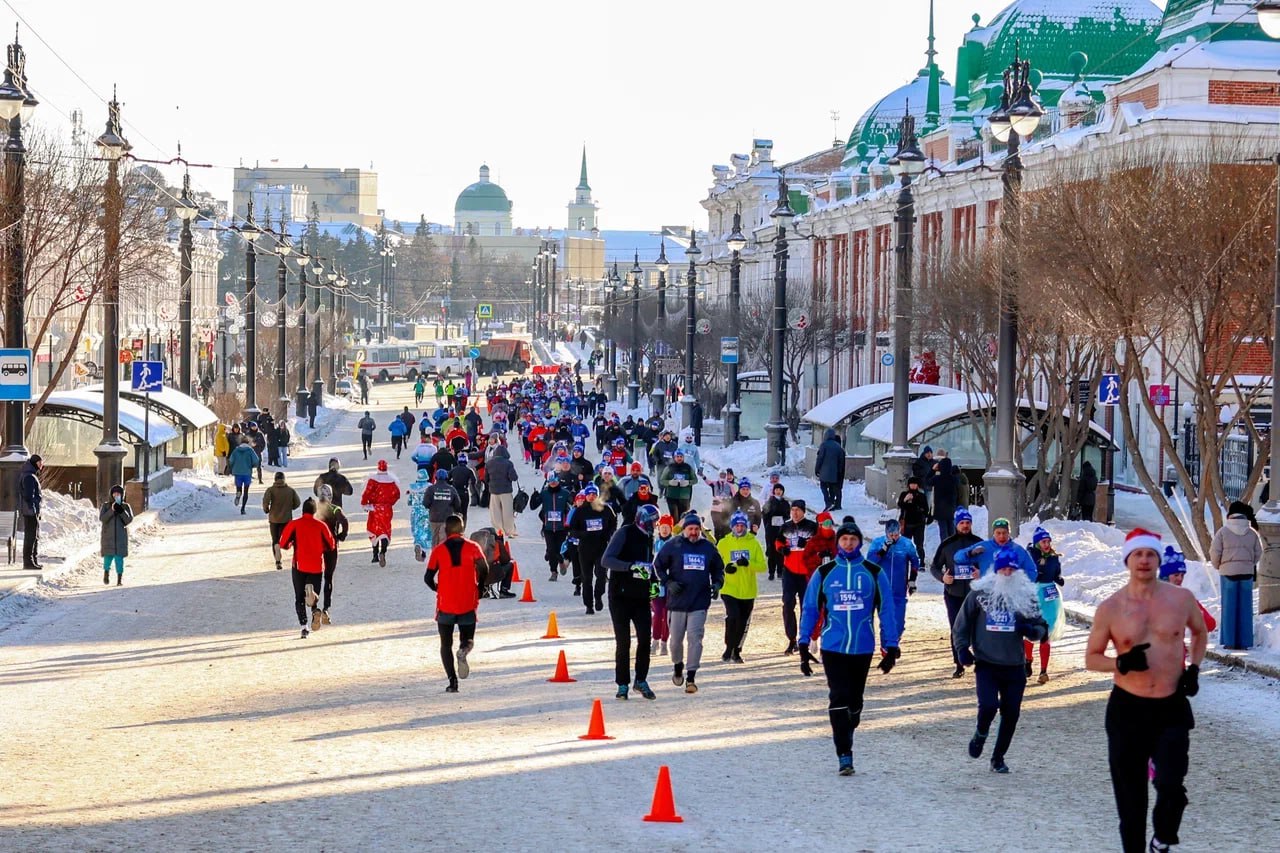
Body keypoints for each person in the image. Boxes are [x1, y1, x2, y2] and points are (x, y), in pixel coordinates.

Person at [1085, 528, 1207, 853]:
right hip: (1127, 710)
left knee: (1171, 786)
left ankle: (1162, 839)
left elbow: (1200, 633)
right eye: (1137, 554)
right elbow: (1091, 658)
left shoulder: (1181, 599)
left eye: (1150, 554)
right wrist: (1120, 663)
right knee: (1131, 804)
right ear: (1127, 559)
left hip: (1170, 706)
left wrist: (1194, 668)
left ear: (1158, 559)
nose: (1144, 560)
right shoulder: (1111, 608)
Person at [797, 519, 900, 776]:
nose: (849, 543)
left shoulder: (873, 572)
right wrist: (803, 642)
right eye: (844, 539)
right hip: (833, 646)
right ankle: (844, 754)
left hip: (862, 646)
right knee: (838, 697)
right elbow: (810, 608)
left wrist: (891, 646)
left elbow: (887, 610)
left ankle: (852, 716)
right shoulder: (825, 572)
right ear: (838, 542)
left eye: (853, 539)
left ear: (859, 542)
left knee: (854, 701)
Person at [953, 549, 1049, 774]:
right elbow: (961, 624)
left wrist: (1032, 631)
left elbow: (1042, 627)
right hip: (987, 663)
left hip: (1014, 665)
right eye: (1003, 569)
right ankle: (981, 733)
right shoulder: (980, 593)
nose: (1007, 573)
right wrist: (962, 649)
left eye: (1011, 569)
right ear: (996, 571)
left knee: (1011, 713)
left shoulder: (1025, 595)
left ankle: (998, 758)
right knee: (988, 706)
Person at [653, 512, 725, 694]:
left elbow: (719, 568)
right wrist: (668, 582)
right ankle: (678, 666)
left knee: (695, 639)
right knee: (675, 641)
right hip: (677, 602)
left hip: (699, 601)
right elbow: (658, 565)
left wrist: (717, 584)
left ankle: (691, 676)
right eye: (690, 529)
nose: (693, 532)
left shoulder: (708, 547)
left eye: (696, 529)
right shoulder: (674, 545)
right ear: (684, 529)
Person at [602, 503, 662, 700]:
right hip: (620, 596)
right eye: (653, 522)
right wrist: (630, 566)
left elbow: (648, 563)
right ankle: (622, 684)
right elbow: (606, 560)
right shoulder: (625, 533)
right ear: (644, 520)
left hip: (641, 596)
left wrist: (654, 581)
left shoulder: (649, 538)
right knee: (624, 641)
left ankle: (641, 680)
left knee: (645, 638)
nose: (655, 525)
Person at [424, 514, 489, 693]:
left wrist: (438, 589)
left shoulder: (439, 550)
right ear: (462, 529)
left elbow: (428, 578)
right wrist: (480, 587)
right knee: (468, 639)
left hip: (445, 604)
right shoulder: (473, 547)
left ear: (446, 530)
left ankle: (452, 682)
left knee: (445, 644)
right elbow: (484, 568)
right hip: (468, 601)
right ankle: (464, 650)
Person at [931, 508, 984, 678]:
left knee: (977, 628)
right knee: (956, 628)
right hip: (953, 594)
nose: (965, 526)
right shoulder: (947, 545)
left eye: (968, 523)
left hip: (975, 594)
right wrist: (942, 577)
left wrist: (981, 573)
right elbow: (934, 567)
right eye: (962, 523)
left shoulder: (979, 544)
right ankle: (959, 664)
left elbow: (990, 565)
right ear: (956, 525)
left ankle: (980, 661)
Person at [278, 498, 336, 638]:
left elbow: (283, 543)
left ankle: (304, 627)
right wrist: (320, 547)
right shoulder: (321, 525)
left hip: (299, 565)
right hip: (316, 566)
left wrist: (292, 543)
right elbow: (331, 545)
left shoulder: (294, 524)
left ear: (303, 510)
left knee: (299, 597)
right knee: (313, 594)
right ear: (315, 511)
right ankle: (314, 606)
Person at [1209, 502, 1261, 650]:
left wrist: (1219, 566)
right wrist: (1249, 564)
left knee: (1229, 607)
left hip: (1228, 573)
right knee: (1245, 608)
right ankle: (1244, 642)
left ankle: (1230, 641)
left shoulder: (1223, 532)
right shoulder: (1252, 532)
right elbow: (1259, 552)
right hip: (1246, 573)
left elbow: (1214, 553)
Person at [716, 511, 767, 663]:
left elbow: (762, 566)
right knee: (733, 616)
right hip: (729, 588)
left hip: (747, 590)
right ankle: (728, 647)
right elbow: (715, 564)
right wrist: (725, 568)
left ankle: (736, 650)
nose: (739, 528)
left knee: (742, 621)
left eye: (742, 526)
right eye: (736, 525)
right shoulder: (723, 543)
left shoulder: (753, 543)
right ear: (732, 527)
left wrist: (748, 564)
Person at [866, 519, 921, 641]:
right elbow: (869, 562)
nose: (894, 537)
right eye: (891, 535)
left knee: (899, 624)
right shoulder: (877, 542)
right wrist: (883, 550)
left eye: (896, 535)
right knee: (886, 622)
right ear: (886, 533)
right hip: (882, 590)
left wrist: (912, 580)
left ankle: (894, 640)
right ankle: (887, 647)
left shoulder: (906, 543)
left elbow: (915, 561)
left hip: (899, 589)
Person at [777, 499, 818, 654]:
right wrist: (782, 550)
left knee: (806, 606)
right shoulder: (785, 526)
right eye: (792, 510)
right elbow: (778, 542)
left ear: (803, 511)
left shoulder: (812, 526)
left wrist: (807, 543)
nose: (794, 513)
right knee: (788, 604)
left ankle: (804, 638)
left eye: (797, 510)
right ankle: (792, 639)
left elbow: (819, 544)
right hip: (789, 570)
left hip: (807, 572)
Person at [569, 484, 617, 615]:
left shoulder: (605, 509)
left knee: (601, 575)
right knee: (587, 578)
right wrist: (583, 534)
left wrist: (608, 535)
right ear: (586, 496)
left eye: (594, 494)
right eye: (589, 494)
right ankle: (589, 605)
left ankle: (598, 596)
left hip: (601, 547)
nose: (591, 496)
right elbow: (572, 529)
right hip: (585, 549)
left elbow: (613, 523)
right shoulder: (580, 511)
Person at [1027, 527, 1066, 684]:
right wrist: (1035, 576)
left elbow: (1056, 572)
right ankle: (1028, 660)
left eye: (1048, 541)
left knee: (1046, 633)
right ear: (1037, 543)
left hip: (1050, 597)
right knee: (1030, 631)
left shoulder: (1054, 558)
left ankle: (1043, 671)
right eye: (1043, 541)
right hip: (1034, 595)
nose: (1047, 544)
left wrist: (1058, 578)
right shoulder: (1030, 556)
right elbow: (1025, 572)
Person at [954, 517, 1038, 582]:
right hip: (987, 593)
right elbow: (957, 558)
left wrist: (1015, 576)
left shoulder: (1018, 550)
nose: (1001, 536)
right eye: (998, 533)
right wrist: (970, 553)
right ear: (993, 533)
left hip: (1011, 593)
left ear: (1009, 533)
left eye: (1004, 533)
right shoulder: (984, 547)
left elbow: (1032, 572)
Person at [314, 485, 349, 624]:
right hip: (331, 546)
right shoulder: (335, 509)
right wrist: (342, 535)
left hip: (316, 546)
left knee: (315, 577)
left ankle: (314, 608)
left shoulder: (314, 508)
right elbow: (344, 521)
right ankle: (326, 608)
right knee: (328, 577)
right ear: (331, 495)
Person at [360, 460, 401, 567]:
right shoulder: (392, 481)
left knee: (374, 530)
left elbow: (366, 493)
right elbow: (397, 495)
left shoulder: (372, 480)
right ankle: (383, 552)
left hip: (374, 509)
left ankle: (375, 555)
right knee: (385, 531)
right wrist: (389, 503)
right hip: (387, 510)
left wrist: (364, 504)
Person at [262, 471, 301, 571]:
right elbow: (297, 503)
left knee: (275, 539)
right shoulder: (290, 490)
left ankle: (278, 560)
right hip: (286, 519)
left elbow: (265, 502)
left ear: (275, 479)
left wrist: (266, 509)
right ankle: (295, 557)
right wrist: (290, 507)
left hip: (274, 519)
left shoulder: (270, 490)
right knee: (288, 538)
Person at [99, 484, 133, 586]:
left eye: (118, 494)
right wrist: (112, 510)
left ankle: (119, 579)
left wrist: (120, 511)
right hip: (108, 537)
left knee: (119, 559)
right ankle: (106, 573)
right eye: (114, 494)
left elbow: (128, 520)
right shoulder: (106, 506)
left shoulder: (125, 506)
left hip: (120, 538)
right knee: (107, 558)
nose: (116, 496)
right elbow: (102, 518)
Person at [651, 514, 675, 655]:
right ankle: (655, 640)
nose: (664, 530)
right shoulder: (653, 543)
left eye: (667, 527)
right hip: (656, 583)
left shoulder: (675, 544)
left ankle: (664, 642)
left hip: (669, 584)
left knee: (667, 614)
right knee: (657, 611)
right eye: (662, 527)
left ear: (671, 529)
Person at [485, 443, 520, 539]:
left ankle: (499, 530)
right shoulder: (508, 463)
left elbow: (486, 478)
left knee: (495, 512)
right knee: (507, 512)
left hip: (493, 491)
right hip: (506, 491)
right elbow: (513, 477)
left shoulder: (489, 463)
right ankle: (510, 531)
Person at [424, 469, 464, 548]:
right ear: (446, 478)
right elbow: (458, 504)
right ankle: (444, 553)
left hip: (434, 518)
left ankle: (435, 554)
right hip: (447, 518)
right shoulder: (451, 489)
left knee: (434, 539)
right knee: (444, 539)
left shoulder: (430, 489)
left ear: (436, 477)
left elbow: (425, 503)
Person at [896, 476, 930, 565]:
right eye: (912, 484)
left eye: (915, 484)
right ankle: (904, 560)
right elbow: (900, 505)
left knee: (919, 544)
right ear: (908, 485)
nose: (913, 485)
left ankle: (921, 561)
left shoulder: (921, 496)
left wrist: (921, 510)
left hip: (919, 523)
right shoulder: (904, 494)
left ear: (918, 485)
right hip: (906, 523)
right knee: (905, 543)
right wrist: (905, 500)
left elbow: (926, 509)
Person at [761, 481, 790, 582]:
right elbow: (764, 514)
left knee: (780, 550)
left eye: (780, 490)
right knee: (772, 550)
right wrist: (771, 514)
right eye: (776, 489)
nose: (778, 491)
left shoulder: (785, 503)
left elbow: (788, 515)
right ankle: (771, 572)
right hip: (771, 530)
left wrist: (784, 519)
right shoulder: (769, 502)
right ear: (773, 491)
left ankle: (780, 571)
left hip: (781, 529)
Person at [18, 455, 43, 571]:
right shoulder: (29, 476)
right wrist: (33, 509)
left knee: (33, 536)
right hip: (30, 511)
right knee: (31, 536)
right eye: (39, 463)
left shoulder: (30, 475)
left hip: (31, 510)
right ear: (34, 463)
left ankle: (33, 560)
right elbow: (29, 496)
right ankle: (28, 562)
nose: (41, 465)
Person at [814, 428, 847, 511]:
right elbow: (841, 461)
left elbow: (820, 458)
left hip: (824, 472)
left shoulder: (824, 445)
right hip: (835, 473)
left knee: (823, 486)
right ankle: (832, 503)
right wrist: (839, 472)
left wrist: (817, 469)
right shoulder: (838, 447)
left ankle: (828, 503)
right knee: (833, 488)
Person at [659, 448, 696, 518]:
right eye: (677, 457)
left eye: (681, 457)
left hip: (684, 497)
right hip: (671, 496)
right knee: (674, 518)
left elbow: (695, 480)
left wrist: (688, 482)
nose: (679, 458)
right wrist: (670, 482)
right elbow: (662, 480)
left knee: (683, 518)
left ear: (683, 457)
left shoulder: (688, 468)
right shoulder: (669, 468)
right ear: (674, 457)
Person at [407, 469, 434, 561]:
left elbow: (409, 502)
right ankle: (423, 552)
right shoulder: (430, 487)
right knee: (426, 531)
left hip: (415, 512)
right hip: (426, 512)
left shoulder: (413, 487)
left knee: (417, 530)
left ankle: (417, 544)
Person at [931, 449, 958, 541]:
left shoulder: (937, 478)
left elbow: (927, 481)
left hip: (940, 508)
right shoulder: (954, 479)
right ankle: (953, 545)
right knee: (951, 528)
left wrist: (932, 470)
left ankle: (945, 546)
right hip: (951, 507)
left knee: (943, 531)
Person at [228, 437, 260, 515]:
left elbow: (231, 460)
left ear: (241, 442)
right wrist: (253, 465)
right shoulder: (250, 450)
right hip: (247, 473)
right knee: (246, 491)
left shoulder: (236, 450)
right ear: (248, 443)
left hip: (238, 472)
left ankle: (238, 494)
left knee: (239, 488)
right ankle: (243, 508)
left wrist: (232, 467)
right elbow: (256, 460)